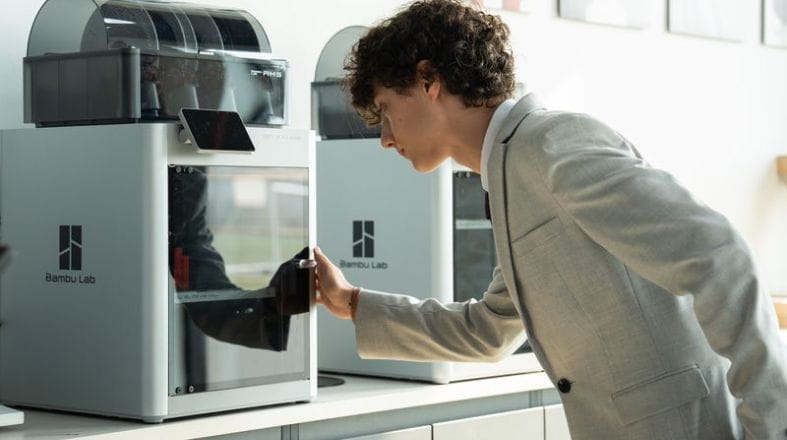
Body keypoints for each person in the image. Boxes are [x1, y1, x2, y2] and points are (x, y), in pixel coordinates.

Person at [313, 1, 787, 439]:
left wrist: (772, 427)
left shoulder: (551, 143)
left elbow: (719, 258)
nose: (385, 138)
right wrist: (352, 302)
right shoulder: (505, 173)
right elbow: (491, 330)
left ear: (428, 80)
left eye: (387, 112)